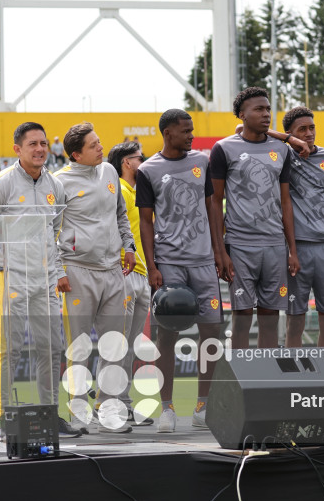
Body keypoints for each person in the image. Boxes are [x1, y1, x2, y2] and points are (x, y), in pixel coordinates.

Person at [0, 122, 80, 440]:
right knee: (11, 349)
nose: (39, 149)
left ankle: (49, 411)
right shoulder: (1, 183)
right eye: (32, 143)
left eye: (44, 143)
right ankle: (0, 418)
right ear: (17, 149)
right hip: (12, 278)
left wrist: (56, 270)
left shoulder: (55, 186)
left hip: (45, 279)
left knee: (51, 348)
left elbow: (56, 231)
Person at [137, 109, 225, 432]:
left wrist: (220, 252)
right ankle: (167, 408)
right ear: (167, 133)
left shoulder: (202, 163)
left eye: (191, 130)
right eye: (185, 131)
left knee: (212, 333)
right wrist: (153, 266)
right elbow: (146, 222)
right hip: (170, 264)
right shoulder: (148, 170)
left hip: (204, 264)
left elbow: (212, 209)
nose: (190, 135)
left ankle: (203, 406)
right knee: (167, 336)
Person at [55, 121, 136, 434]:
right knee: (78, 346)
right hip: (77, 269)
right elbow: (50, 229)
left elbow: (120, 215)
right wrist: (59, 270)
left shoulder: (110, 172)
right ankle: (78, 410)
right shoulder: (58, 182)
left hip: (113, 268)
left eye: (100, 142)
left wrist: (128, 246)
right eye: (93, 145)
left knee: (114, 345)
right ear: (76, 154)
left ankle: (109, 407)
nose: (101, 148)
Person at [209, 86, 300, 349]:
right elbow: (215, 201)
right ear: (241, 114)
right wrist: (220, 250)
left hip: (274, 245)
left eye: (268, 109)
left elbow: (285, 201)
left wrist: (292, 249)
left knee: (271, 317)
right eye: (259, 109)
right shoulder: (223, 149)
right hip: (239, 245)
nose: (266, 114)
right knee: (242, 316)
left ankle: (266, 382)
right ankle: (240, 385)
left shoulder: (281, 151)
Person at [258, 107, 324, 347]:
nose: (309, 133)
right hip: (300, 248)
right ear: (290, 134)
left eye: (311, 127)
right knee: (295, 320)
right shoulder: (283, 155)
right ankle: (294, 378)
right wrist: (288, 140)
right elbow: (240, 129)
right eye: (302, 130)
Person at [106, 141, 153, 426]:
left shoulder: (139, 192)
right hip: (123, 273)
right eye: (140, 158)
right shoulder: (117, 191)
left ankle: (122, 402)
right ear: (126, 162)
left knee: (130, 347)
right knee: (117, 345)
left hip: (143, 274)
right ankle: (110, 403)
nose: (144, 162)